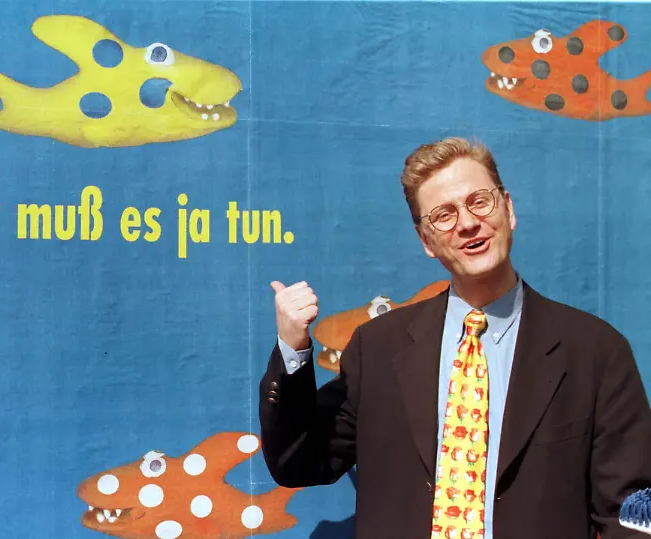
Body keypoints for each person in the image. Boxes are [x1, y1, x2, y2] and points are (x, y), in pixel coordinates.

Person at [259, 136, 651, 538]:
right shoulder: (377, 348)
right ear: (426, 241)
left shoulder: (595, 352)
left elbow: (630, 512)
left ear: (508, 208)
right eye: (443, 215)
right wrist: (293, 348)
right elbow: (299, 462)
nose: (467, 223)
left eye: (479, 202)